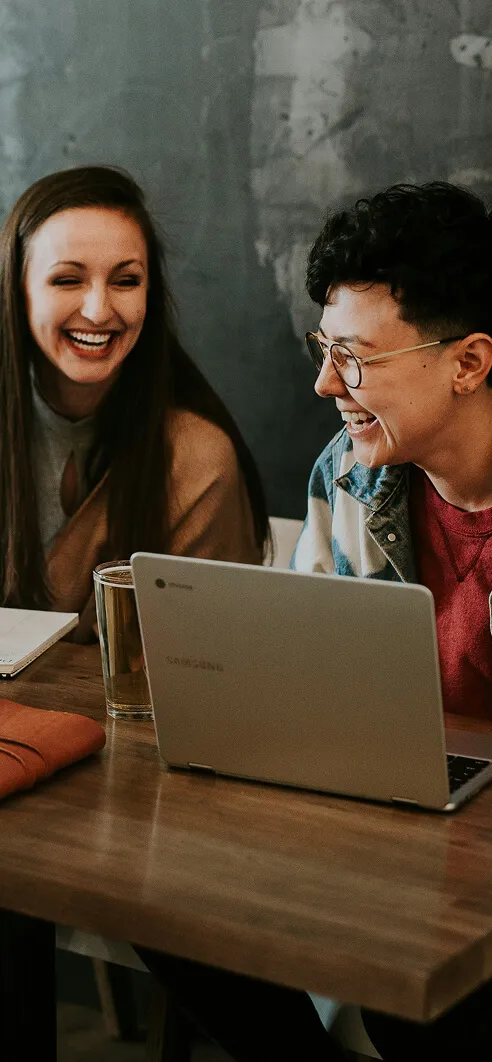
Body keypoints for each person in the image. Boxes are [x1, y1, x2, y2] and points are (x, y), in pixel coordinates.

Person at [136, 181, 492, 1062]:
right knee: (167, 905)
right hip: (393, 823)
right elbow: (308, 689)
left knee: (427, 1008)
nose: (327, 382)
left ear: (469, 362)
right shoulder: (351, 475)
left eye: (357, 357)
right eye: (323, 349)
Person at [0, 165, 269, 636]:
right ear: (17, 292)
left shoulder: (198, 460)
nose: (99, 311)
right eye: (67, 280)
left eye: (125, 281)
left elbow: (211, 658)